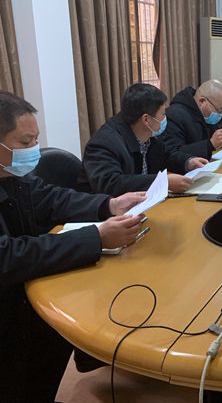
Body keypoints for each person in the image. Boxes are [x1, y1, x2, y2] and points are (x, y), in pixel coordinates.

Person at [0, 91, 146, 403]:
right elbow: (7, 255)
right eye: (25, 142)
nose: (34, 149)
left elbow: (51, 198)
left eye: (36, 139)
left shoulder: (11, 174)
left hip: (27, 301)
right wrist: (96, 238)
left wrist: (108, 204)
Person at [81, 83, 208, 196]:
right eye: (163, 114)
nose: (165, 118)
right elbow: (111, 184)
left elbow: (166, 155)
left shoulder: (147, 135)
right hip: (113, 212)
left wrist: (187, 162)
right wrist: (162, 182)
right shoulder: (103, 144)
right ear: (146, 119)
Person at [161, 80, 222, 160]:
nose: (220, 115)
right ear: (202, 101)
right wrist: (209, 144)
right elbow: (172, 153)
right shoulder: (175, 115)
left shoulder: (206, 115)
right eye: (219, 110)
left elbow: (221, 132)